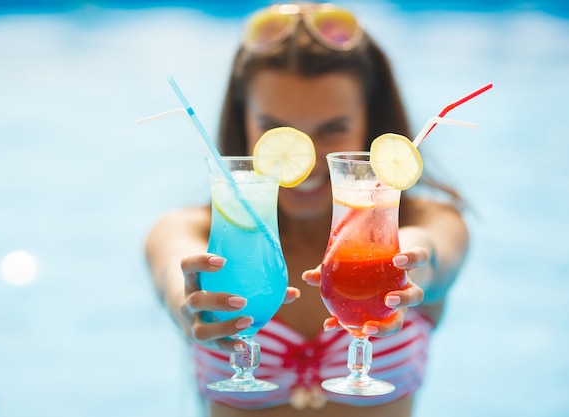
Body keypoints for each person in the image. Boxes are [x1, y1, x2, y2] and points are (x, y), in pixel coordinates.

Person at [146, 3, 469, 417]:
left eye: (332, 128)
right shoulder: (184, 228)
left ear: (370, 120)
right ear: (243, 121)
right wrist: (192, 306)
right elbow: (176, 277)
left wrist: (402, 264)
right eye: (275, 128)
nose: (310, 158)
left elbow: (433, 255)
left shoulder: (434, 221)